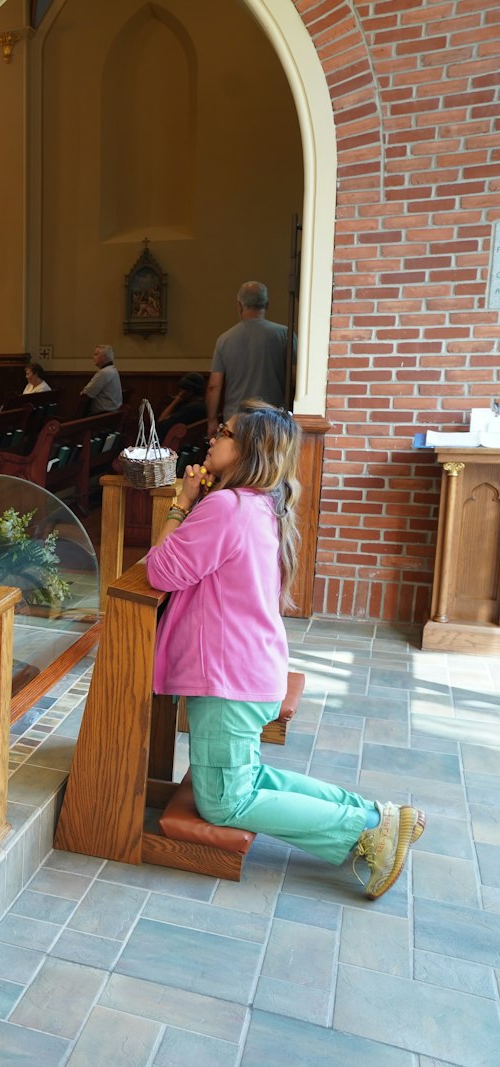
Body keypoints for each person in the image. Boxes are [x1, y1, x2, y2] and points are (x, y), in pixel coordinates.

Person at [146, 401, 423, 900]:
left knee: (227, 804)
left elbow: (160, 571)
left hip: (227, 676)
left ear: (247, 450)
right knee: (248, 776)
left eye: (224, 432)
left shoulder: (225, 507)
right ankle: (376, 816)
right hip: (249, 669)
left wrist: (180, 502)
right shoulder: (259, 502)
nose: (212, 437)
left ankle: (368, 835)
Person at [207, 280, 293, 438]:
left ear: (239, 305)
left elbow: (214, 385)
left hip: (236, 421)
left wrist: (212, 420)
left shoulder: (224, 339)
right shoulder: (285, 335)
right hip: (272, 420)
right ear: (267, 305)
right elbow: (295, 377)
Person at [157, 371, 208, 435]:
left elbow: (160, 425)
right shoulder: (203, 406)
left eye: (181, 391)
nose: (179, 393)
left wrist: (177, 400)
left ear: (189, 391)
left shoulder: (190, 409)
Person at [81, 344, 123, 414]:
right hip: (113, 412)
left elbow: (86, 394)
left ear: (105, 357)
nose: (93, 357)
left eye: (96, 354)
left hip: (103, 415)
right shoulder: (112, 369)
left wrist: (83, 392)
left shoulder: (104, 372)